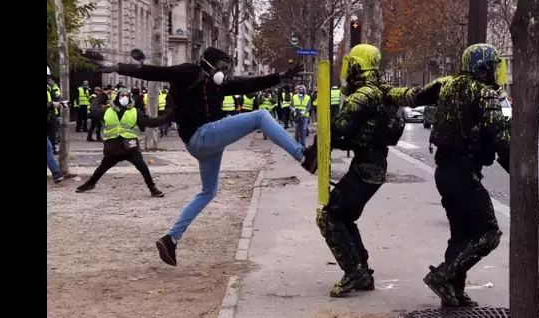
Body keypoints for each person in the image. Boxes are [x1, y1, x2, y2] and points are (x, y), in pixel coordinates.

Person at [93, 46, 316, 266]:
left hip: (202, 143)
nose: (224, 71)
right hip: (202, 135)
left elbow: (246, 83)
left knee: (208, 191)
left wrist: (280, 76)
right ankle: (302, 156)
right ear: (208, 63)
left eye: (226, 67)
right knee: (260, 116)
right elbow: (156, 71)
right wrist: (117, 67)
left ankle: (170, 239)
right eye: (221, 65)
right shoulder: (190, 71)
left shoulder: (217, 85)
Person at [309, 44, 441, 298]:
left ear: (358, 66)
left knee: (329, 217)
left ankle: (354, 272)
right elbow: (410, 96)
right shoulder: (381, 92)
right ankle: (362, 270)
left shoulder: (364, 95)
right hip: (374, 166)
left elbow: (340, 129)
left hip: (365, 169)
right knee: (343, 216)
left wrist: (321, 138)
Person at [423, 43, 508, 308]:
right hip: (463, 173)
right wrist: (520, 173)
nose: (496, 72)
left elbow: (414, 96)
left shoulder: (449, 87)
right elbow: (501, 141)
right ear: (484, 68)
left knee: (461, 233)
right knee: (488, 232)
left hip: (445, 172)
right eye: (494, 66)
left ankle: (453, 292)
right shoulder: (483, 93)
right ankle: (443, 276)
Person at [75, 89, 165, 197]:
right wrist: (102, 96)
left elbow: (151, 122)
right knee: (102, 167)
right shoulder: (107, 111)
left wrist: (168, 117)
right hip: (113, 148)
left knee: (142, 166)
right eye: (122, 95)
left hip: (130, 147)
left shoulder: (135, 112)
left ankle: (152, 188)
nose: (125, 97)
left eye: (127, 95)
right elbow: (94, 109)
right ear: (117, 97)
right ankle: (90, 184)